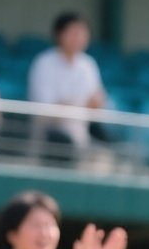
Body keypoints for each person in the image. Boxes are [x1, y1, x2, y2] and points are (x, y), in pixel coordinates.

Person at [26, 12, 107, 161]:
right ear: (59, 34)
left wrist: (94, 104)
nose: (79, 38)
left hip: (81, 132)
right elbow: (45, 110)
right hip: (50, 133)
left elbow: (96, 103)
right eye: (74, 33)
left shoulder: (88, 65)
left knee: (104, 154)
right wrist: (73, 106)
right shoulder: (44, 63)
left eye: (82, 33)